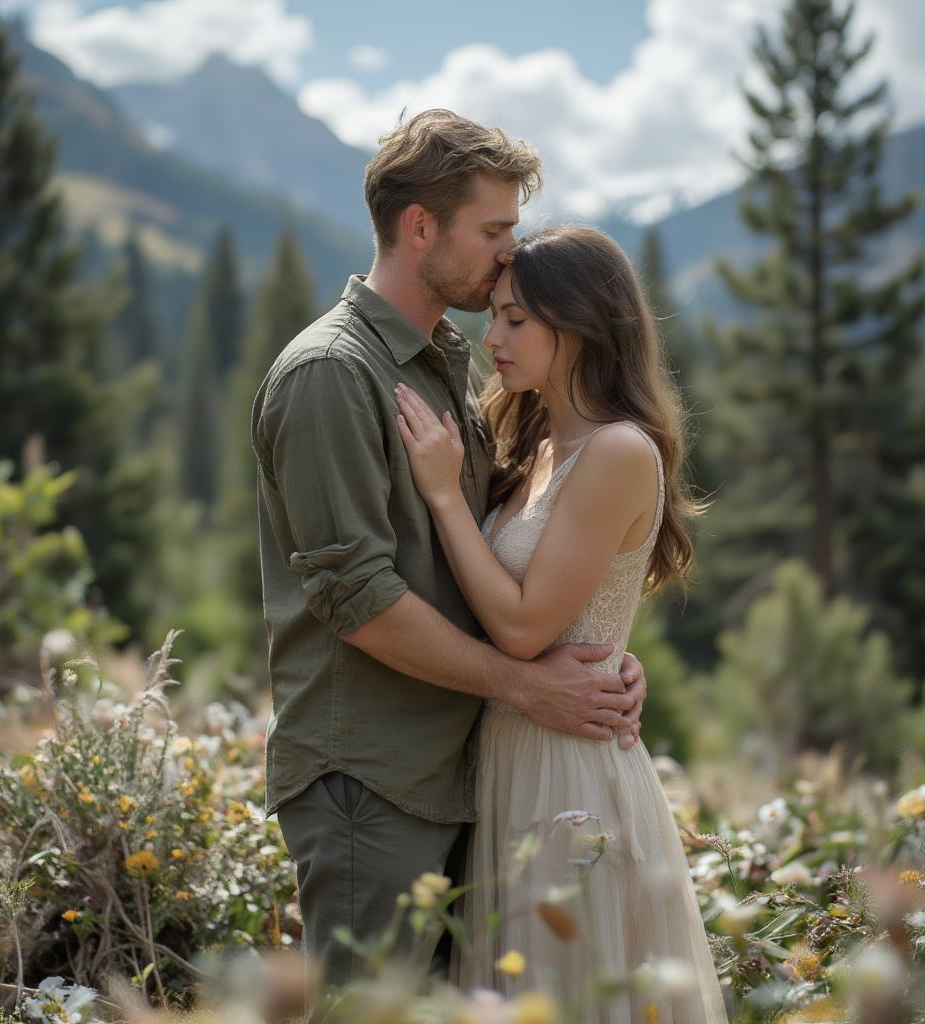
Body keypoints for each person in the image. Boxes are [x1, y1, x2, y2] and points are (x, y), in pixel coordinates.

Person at [250, 109, 648, 987]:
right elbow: (356, 596)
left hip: (461, 773)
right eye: (494, 230)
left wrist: (601, 659)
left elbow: (517, 558)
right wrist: (526, 683)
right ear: (419, 226)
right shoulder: (332, 374)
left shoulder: (438, 364)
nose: (511, 254)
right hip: (371, 780)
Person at [394, 225, 728, 1021]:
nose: (492, 337)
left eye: (516, 320)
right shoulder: (540, 441)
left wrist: (445, 495)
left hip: (568, 770)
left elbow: (520, 631)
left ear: (578, 326)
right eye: (495, 315)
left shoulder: (616, 451)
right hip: (512, 754)